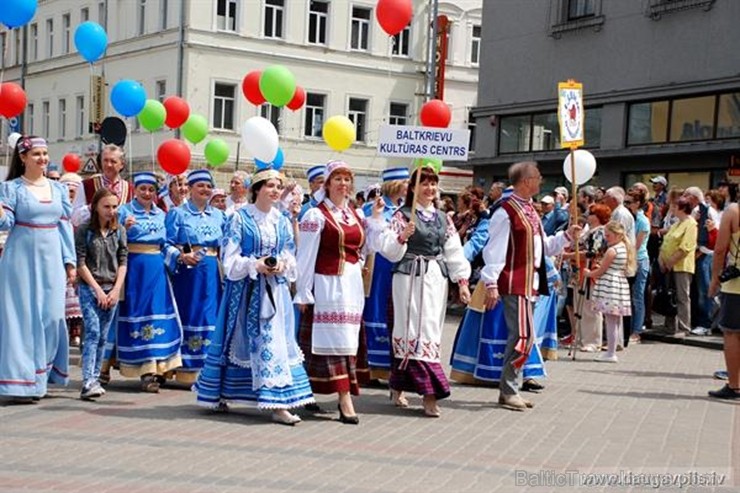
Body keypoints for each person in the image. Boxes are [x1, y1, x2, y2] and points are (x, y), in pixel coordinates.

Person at [194, 166, 315, 424]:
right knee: (238, 342)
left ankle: (277, 402)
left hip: (275, 292)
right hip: (246, 292)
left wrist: (281, 264)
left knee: (274, 342)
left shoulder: (281, 220)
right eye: (270, 186)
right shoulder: (240, 218)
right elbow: (229, 259)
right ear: (257, 189)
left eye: (278, 187)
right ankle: (224, 392)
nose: (275, 191)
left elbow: (290, 254)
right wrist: (254, 265)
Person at [376, 166, 471, 417]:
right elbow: (387, 249)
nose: (430, 189)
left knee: (429, 330)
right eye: (424, 184)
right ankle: (428, 395)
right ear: (413, 189)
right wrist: (401, 238)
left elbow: (453, 250)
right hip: (408, 278)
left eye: (433, 184)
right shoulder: (402, 215)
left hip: (433, 278)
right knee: (408, 329)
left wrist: (461, 282)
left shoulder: (443, 218)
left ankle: (403, 385)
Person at [481, 161, 576, 412]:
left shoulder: (530, 210)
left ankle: (509, 388)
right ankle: (509, 389)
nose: (541, 180)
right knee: (523, 336)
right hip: (514, 281)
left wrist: (567, 237)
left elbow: (544, 246)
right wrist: (491, 282)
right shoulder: (506, 210)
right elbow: (494, 249)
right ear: (525, 181)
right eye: (537, 176)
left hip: (530, 282)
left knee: (524, 336)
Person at [294, 160, 380, 424]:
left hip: (351, 287)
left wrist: (377, 220)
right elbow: (306, 257)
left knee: (347, 342)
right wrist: (303, 292)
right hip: (327, 285)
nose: (343, 184)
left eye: (347, 179)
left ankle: (308, 392)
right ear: (327, 183)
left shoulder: (356, 214)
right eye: (338, 179)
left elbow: (365, 249)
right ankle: (344, 399)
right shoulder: (316, 215)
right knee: (330, 343)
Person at [0, 136, 76, 402]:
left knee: (53, 318)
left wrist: (70, 262)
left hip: (52, 258)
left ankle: (42, 372)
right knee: (21, 320)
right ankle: (24, 382)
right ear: (23, 158)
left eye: (45, 154)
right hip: (20, 259)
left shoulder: (57, 189)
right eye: (36, 154)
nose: (43, 159)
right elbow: (6, 222)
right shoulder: (11, 189)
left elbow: (65, 226)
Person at [102, 172, 184, 392]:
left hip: (156, 271)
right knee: (126, 316)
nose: (147, 193)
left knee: (155, 315)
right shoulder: (123, 212)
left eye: (151, 190)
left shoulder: (161, 214)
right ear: (135, 190)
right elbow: (106, 238)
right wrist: (122, 230)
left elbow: (165, 244)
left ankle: (151, 371)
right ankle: (103, 368)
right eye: (142, 189)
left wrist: (179, 257)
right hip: (132, 269)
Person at [165, 169, 226, 383]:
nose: (205, 190)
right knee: (189, 313)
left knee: (210, 316)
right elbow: (165, 243)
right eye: (200, 185)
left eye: (209, 186)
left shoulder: (219, 215)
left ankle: (208, 368)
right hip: (188, 273)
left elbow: (226, 245)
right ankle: (184, 369)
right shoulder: (178, 214)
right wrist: (181, 256)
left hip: (212, 271)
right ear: (189, 189)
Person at [76, 189, 128, 399]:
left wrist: (116, 289)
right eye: (106, 206)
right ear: (96, 207)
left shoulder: (120, 231)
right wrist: (97, 289)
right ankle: (87, 380)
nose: (110, 211)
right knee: (93, 332)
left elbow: (123, 261)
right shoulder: (84, 231)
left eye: (114, 207)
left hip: (111, 287)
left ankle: (95, 378)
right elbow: (81, 263)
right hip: (91, 287)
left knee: (103, 336)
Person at [361, 167, 409, 382]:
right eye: (406, 183)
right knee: (375, 307)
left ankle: (390, 364)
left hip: (396, 264)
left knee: (393, 308)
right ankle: (371, 364)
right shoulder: (374, 207)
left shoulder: (405, 209)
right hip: (377, 264)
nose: (409, 187)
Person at [584, 221, 635, 363]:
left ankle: (611, 352)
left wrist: (589, 273)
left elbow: (601, 270)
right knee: (615, 320)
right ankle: (612, 349)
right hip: (619, 283)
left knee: (611, 320)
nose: (606, 238)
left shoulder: (612, 250)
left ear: (617, 234)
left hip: (610, 284)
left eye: (609, 235)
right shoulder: (624, 247)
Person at [708, 201, 740, 399]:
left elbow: (720, 249)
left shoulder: (734, 211)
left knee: (732, 333)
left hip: (736, 284)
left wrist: (715, 279)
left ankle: (735, 385)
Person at [658, 197, 698, 337]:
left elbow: (685, 247)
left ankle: (684, 327)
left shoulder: (691, 224)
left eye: (674, 207)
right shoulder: (676, 224)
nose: (672, 210)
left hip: (682, 266)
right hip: (669, 265)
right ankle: (669, 325)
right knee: (669, 294)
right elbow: (666, 242)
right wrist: (661, 260)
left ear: (682, 208)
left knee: (682, 296)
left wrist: (670, 262)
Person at [71, 144, 133, 226]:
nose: (108, 165)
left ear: (122, 164)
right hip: (94, 236)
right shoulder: (87, 185)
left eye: (113, 161)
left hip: (122, 237)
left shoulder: (130, 188)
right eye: (105, 160)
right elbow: (74, 218)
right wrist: (93, 207)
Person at [60, 173, 84, 347]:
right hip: (60, 256)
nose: (71, 195)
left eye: (74, 191)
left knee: (75, 297)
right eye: (68, 191)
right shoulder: (58, 209)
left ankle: (76, 330)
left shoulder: (79, 213)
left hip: (77, 255)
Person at [626, 190, 650, 343]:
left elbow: (637, 244)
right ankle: (629, 328)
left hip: (639, 261)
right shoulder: (630, 218)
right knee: (629, 296)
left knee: (638, 296)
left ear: (637, 203)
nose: (626, 205)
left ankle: (637, 331)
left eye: (629, 202)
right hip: (629, 260)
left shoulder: (642, 220)